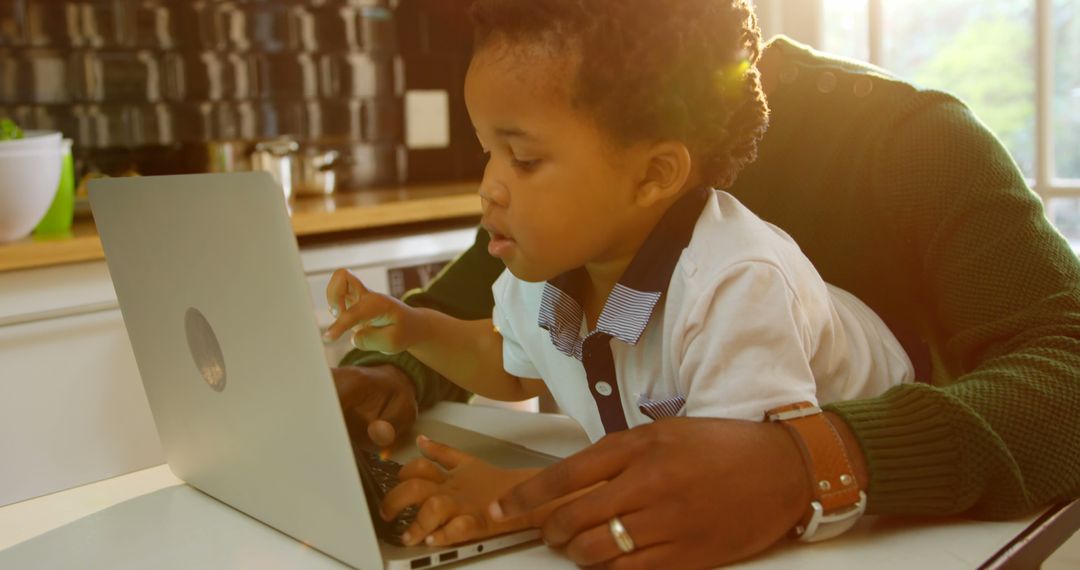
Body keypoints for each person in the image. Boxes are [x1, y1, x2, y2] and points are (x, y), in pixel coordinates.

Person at [326, 3, 1080, 569]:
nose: (491, 186)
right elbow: (483, 313)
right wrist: (392, 359)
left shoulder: (911, 143)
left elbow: (1067, 370)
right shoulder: (568, 159)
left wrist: (813, 460)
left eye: (518, 160)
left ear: (658, 172)